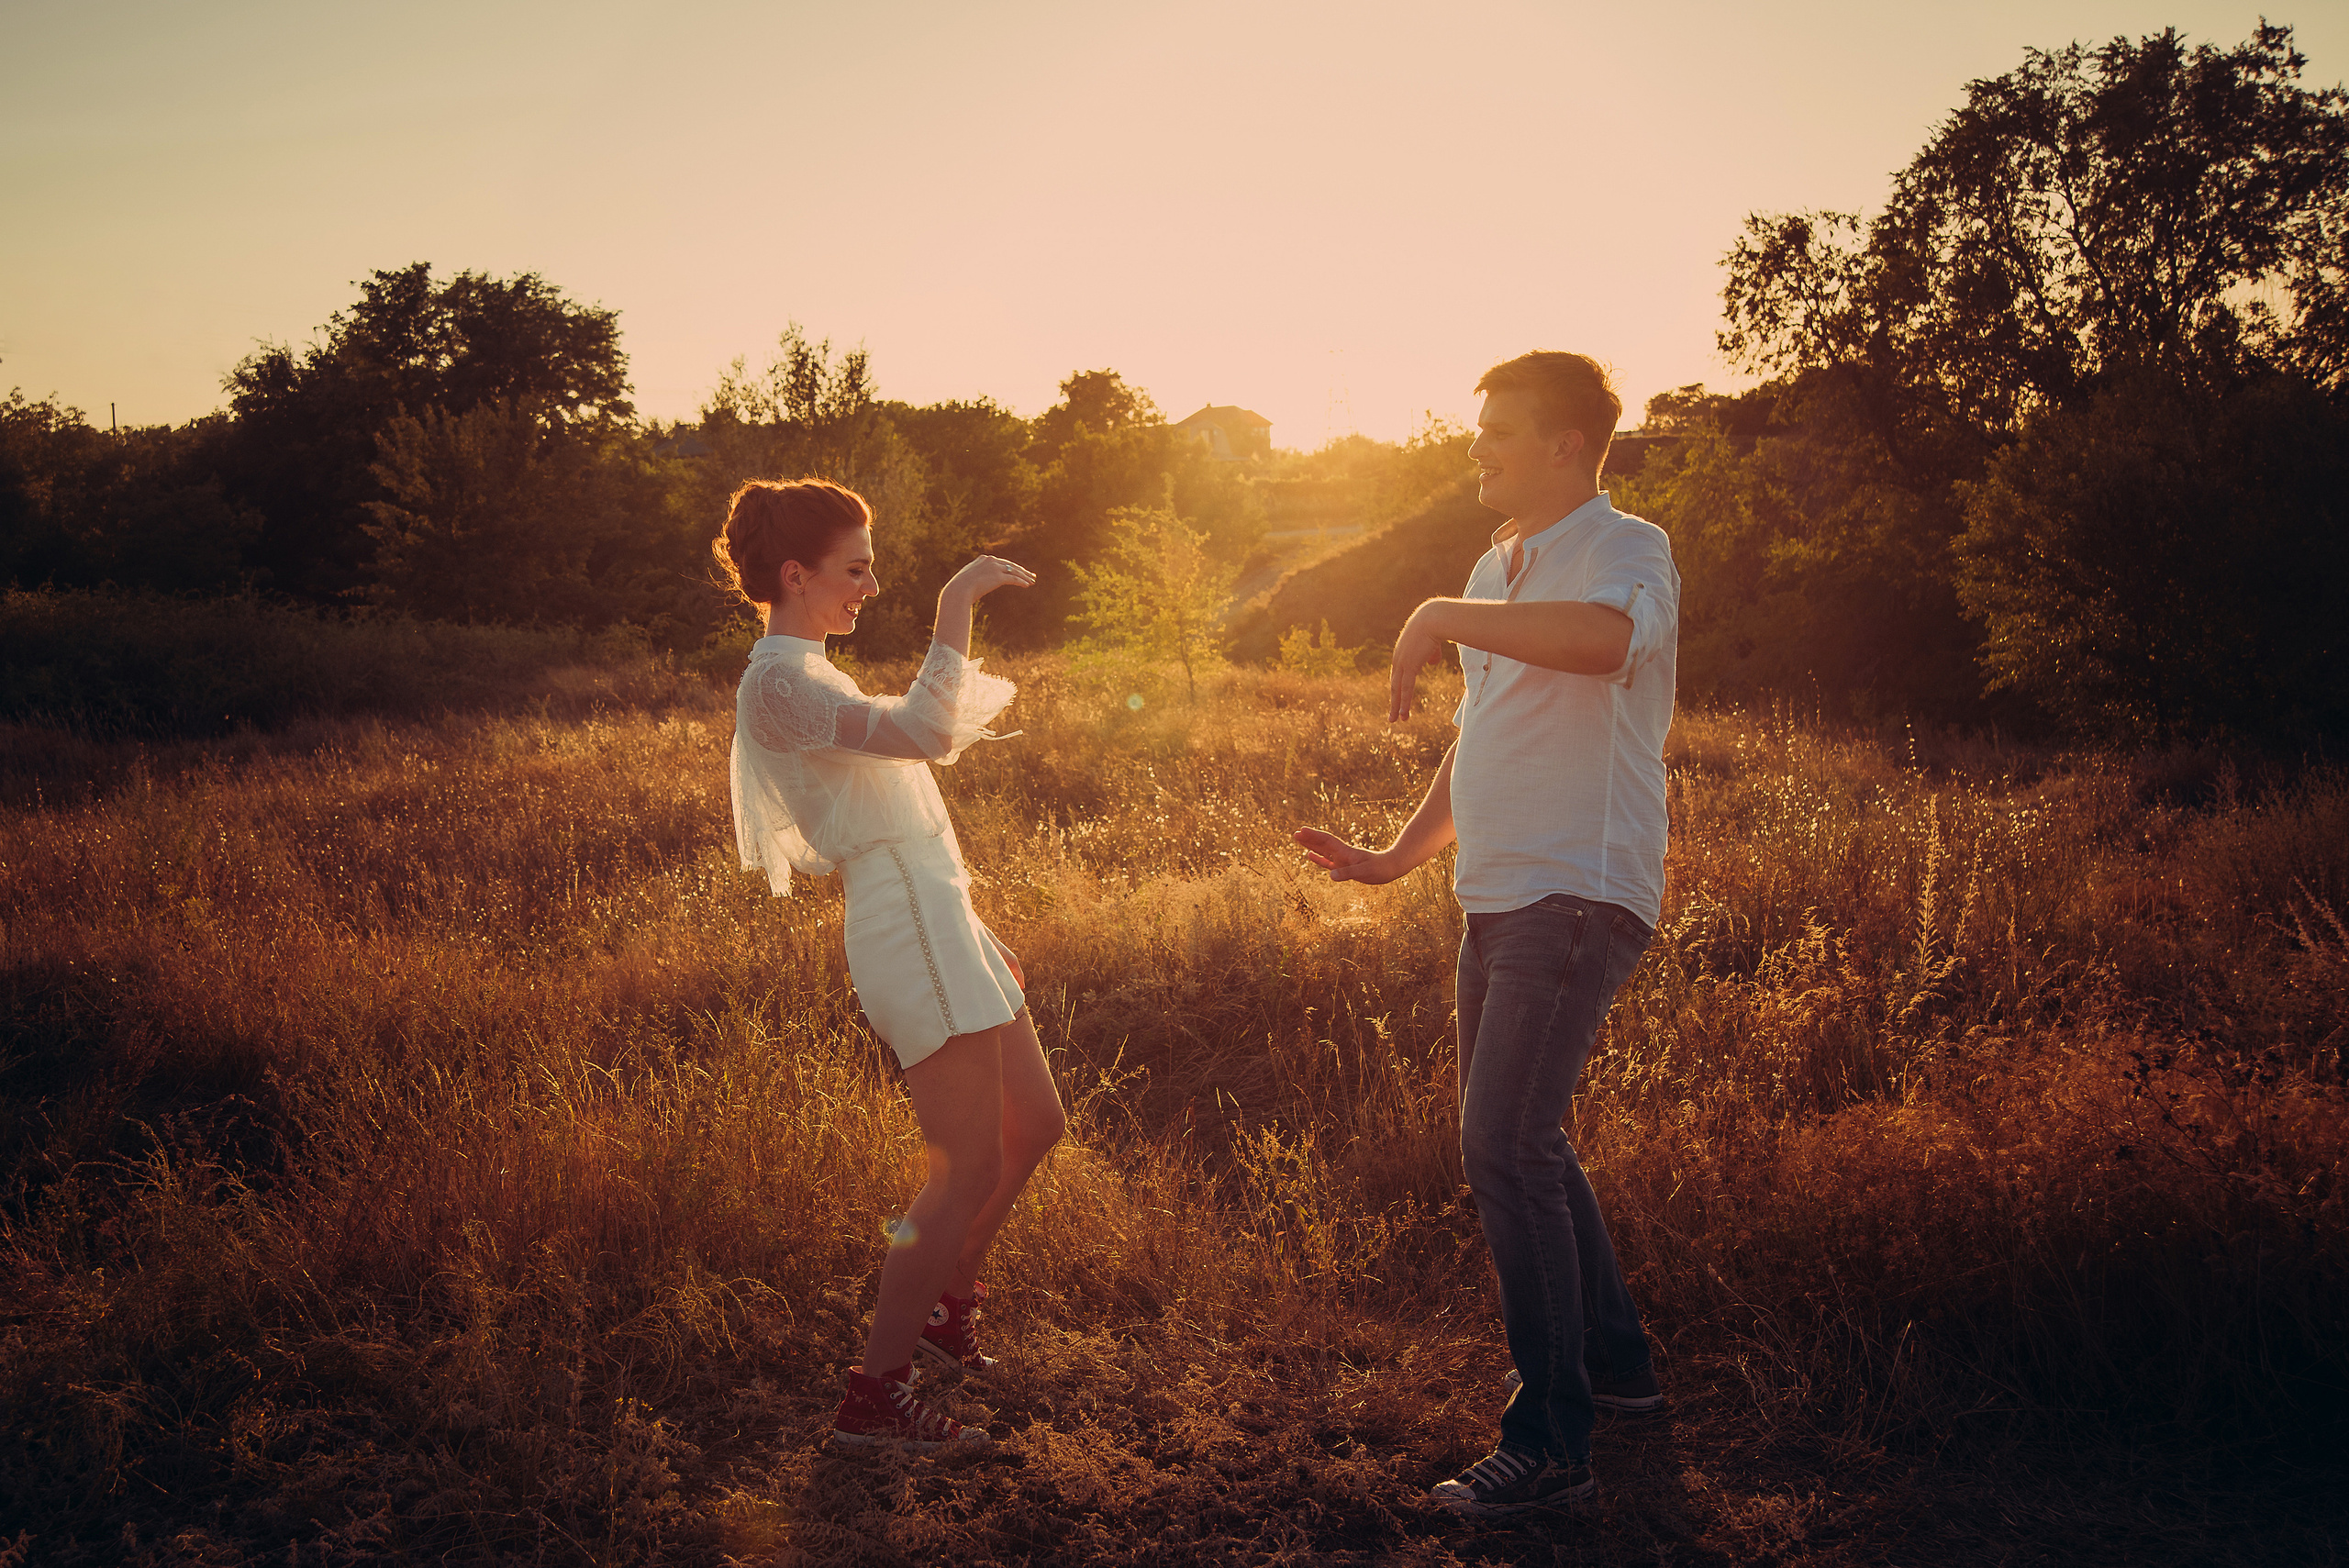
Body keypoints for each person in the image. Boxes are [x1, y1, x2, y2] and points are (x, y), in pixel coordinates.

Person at [1295, 352, 1679, 1516]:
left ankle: (1552, 1441)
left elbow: (1606, 645)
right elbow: (1487, 732)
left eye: (1500, 432)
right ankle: (1618, 1375)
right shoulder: (1493, 561)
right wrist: (1396, 855)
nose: (1477, 450)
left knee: (1502, 1145)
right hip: (1498, 895)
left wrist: (1434, 612)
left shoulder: (1627, 547)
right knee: (1530, 1142)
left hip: (1578, 889)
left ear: (1567, 443)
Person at [718, 477, 1067, 1451]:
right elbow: (926, 735)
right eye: (856, 568)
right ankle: (875, 1395)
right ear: (797, 573)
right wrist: (956, 604)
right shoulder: (778, 680)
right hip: (903, 920)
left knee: (1036, 1122)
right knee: (963, 1166)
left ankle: (949, 1304)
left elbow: (906, 800)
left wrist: (974, 921)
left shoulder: (815, 675)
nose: (869, 585)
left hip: (937, 909)